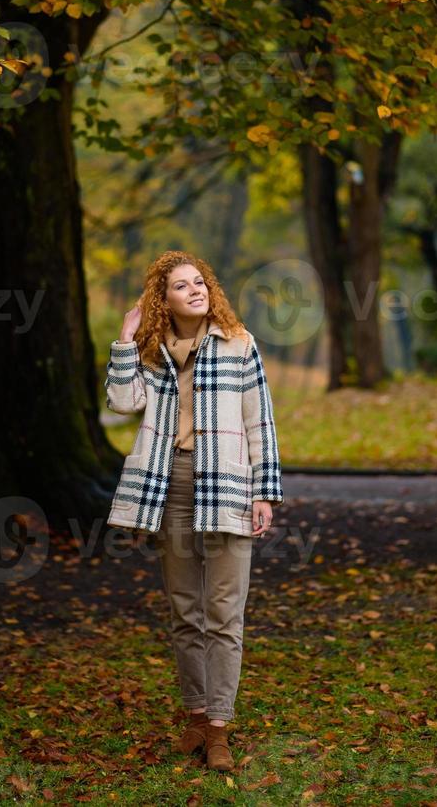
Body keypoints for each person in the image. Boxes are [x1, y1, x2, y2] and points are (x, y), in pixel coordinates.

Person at [105, 250, 283, 772]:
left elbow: (261, 423)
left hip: (227, 485)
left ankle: (221, 730)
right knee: (186, 611)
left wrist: (264, 492)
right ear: (164, 300)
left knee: (224, 613)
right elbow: (121, 403)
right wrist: (125, 335)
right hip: (171, 487)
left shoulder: (239, 343)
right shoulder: (150, 350)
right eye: (181, 286)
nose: (196, 290)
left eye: (200, 281)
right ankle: (197, 718)